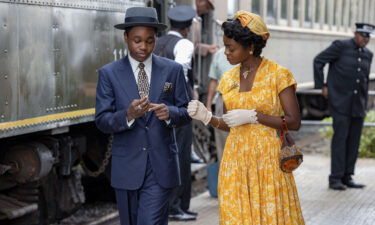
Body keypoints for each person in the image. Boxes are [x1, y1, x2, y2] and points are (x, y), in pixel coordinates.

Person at [187, 11, 305, 224]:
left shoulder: (278, 75)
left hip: (268, 162)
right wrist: (207, 117)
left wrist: (255, 116)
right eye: (225, 46)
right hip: (236, 161)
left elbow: (294, 122)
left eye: (231, 48)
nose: (226, 53)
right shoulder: (228, 79)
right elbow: (229, 123)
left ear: (250, 46)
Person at [95, 7, 191, 225]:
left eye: (149, 40)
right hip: (127, 167)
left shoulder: (172, 70)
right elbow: (102, 120)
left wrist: (170, 113)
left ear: (155, 39)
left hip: (161, 167)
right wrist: (128, 115)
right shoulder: (108, 74)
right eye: (137, 40)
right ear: (125, 38)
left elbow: (186, 112)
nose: (143, 46)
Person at [313, 23, 374, 191]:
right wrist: (322, 86)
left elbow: (364, 80)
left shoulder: (369, 54)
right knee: (340, 139)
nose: (365, 39)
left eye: (368, 36)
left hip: (358, 105)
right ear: (355, 34)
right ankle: (335, 178)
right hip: (340, 102)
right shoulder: (340, 47)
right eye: (362, 35)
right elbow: (318, 61)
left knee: (354, 141)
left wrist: (365, 103)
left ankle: (348, 176)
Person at [153, 5, 197, 221]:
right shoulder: (185, 44)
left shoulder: (157, 42)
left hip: (154, 107)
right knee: (180, 156)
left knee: (163, 156)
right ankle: (176, 207)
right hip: (178, 108)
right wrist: (169, 93)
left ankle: (171, 206)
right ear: (187, 28)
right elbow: (178, 71)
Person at [205, 47, 235, 163]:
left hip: (244, 101)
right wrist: (208, 105)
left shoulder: (247, 52)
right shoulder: (219, 54)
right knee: (222, 141)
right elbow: (214, 80)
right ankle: (225, 175)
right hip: (222, 100)